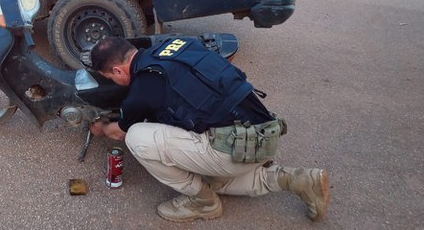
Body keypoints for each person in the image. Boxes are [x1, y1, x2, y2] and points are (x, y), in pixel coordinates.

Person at [89, 36, 330, 223]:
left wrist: (102, 127)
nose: (113, 82)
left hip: (234, 149)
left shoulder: (142, 88)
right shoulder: (176, 45)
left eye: (110, 78)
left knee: (137, 137)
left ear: (118, 70)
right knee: (210, 177)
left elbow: (119, 132)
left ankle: (203, 203)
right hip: (263, 135)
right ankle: (297, 180)